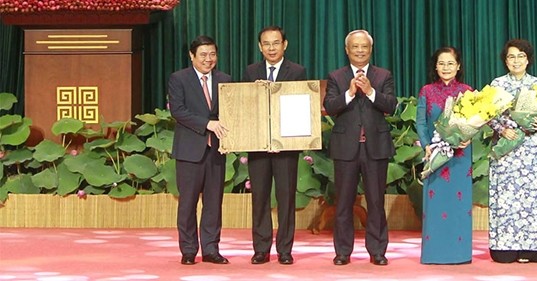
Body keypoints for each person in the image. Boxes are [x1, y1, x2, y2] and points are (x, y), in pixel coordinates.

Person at [323, 29, 397, 266]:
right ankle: (343, 251)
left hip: (375, 147)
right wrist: (350, 92)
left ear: (370, 49)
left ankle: (377, 251)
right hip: (346, 148)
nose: (360, 50)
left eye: (364, 46)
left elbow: (391, 105)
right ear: (347, 50)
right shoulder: (336, 76)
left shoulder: (383, 75)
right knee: (344, 202)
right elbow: (330, 107)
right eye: (355, 47)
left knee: (376, 201)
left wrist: (370, 91)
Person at [242, 26, 307, 265]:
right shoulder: (251, 71)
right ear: (260, 46)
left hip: (286, 148)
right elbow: (246, 108)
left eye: (276, 43)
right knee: (259, 198)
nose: (271, 48)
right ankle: (261, 249)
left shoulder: (298, 71)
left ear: (285, 45)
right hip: (258, 146)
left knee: (286, 198)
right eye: (266, 44)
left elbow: (300, 108)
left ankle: (285, 250)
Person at [168, 35, 231, 265]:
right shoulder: (179, 79)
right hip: (189, 151)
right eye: (203, 55)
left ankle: (211, 249)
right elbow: (178, 110)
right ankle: (188, 250)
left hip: (216, 151)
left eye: (212, 54)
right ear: (192, 56)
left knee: (214, 203)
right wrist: (207, 124)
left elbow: (232, 110)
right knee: (188, 203)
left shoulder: (225, 79)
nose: (208, 59)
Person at [487, 38, 537, 263]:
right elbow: (488, 114)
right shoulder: (497, 84)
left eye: (521, 56)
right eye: (511, 56)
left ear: (528, 59)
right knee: (505, 198)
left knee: (531, 198)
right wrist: (502, 130)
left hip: (531, 148)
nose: (516, 61)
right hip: (506, 147)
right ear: (505, 61)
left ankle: (532, 248)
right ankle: (503, 248)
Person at [415, 47, 474, 264]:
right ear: (435, 66)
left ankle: (460, 254)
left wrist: (470, 136)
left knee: (459, 206)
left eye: (450, 63)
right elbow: (420, 121)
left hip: (460, 156)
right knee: (436, 205)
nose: (446, 68)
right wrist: (426, 145)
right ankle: (434, 254)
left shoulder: (467, 91)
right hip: (436, 155)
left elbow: (475, 120)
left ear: (458, 66)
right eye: (441, 63)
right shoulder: (427, 91)